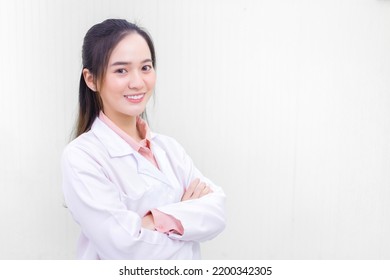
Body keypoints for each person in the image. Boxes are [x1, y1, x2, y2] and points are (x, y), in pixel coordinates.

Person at [61, 19, 226, 260]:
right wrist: (185, 219)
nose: (138, 82)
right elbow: (126, 248)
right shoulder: (82, 157)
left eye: (146, 67)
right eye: (121, 70)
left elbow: (217, 212)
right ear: (91, 79)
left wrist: (151, 221)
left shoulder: (170, 149)